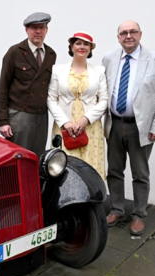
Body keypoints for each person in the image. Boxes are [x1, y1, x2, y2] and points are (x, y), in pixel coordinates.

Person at [102, 20, 155, 235]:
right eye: (124, 32)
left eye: (133, 32)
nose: (128, 36)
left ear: (140, 34)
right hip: (114, 124)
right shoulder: (108, 59)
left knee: (140, 173)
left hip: (140, 127)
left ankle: (139, 214)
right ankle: (116, 209)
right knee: (114, 170)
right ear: (118, 37)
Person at [47, 31, 108, 178]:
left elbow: (104, 100)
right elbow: (51, 99)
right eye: (78, 43)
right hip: (64, 126)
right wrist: (66, 123)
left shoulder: (99, 71)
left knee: (91, 165)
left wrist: (85, 119)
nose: (82, 47)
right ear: (72, 47)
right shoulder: (58, 70)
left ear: (90, 48)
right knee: (63, 164)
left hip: (91, 126)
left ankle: (92, 199)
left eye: (86, 44)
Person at [0, 12, 57, 158]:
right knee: (18, 158)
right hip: (19, 115)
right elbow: (3, 87)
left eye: (41, 28)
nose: (38, 31)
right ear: (26, 30)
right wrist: (3, 121)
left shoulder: (50, 54)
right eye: (34, 28)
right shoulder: (15, 52)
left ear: (46, 30)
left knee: (37, 158)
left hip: (41, 116)